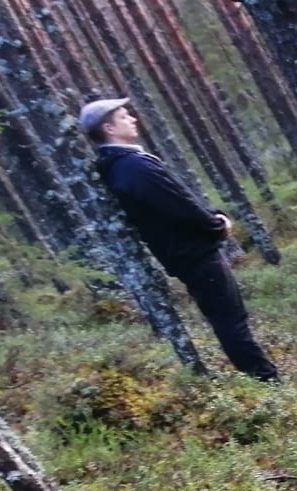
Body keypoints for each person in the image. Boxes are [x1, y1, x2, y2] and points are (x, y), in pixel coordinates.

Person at [80, 97, 280, 381]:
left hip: (184, 251)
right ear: (109, 129)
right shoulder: (132, 167)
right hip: (193, 252)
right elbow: (178, 205)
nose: (133, 119)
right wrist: (215, 225)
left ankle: (262, 377)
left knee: (227, 318)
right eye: (125, 117)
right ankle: (266, 380)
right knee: (230, 319)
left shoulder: (121, 164)